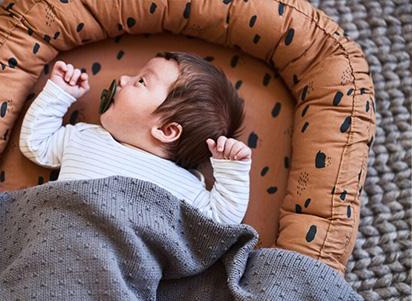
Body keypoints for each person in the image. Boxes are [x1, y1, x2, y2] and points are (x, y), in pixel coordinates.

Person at [20, 51, 252, 225]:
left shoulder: (186, 186)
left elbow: (222, 220)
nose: (122, 79)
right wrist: (59, 94)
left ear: (167, 130)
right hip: (57, 236)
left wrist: (232, 170)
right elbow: (36, 144)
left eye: (141, 81)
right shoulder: (83, 137)